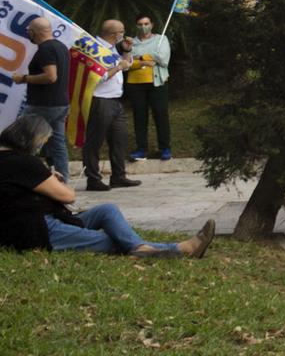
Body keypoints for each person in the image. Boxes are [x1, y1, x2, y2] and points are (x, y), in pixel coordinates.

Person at [0, 116, 214, 257]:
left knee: (107, 210)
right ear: (29, 138)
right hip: (36, 230)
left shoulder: (10, 160)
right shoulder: (23, 162)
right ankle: (179, 250)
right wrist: (54, 180)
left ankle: (140, 247)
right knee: (108, 239)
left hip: (30, 222)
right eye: (41, 142)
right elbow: (67, 196)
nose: (41, 148)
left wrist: (46, 179)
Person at [8, 16, 70, 180]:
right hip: (61, 103)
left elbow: (51, 77)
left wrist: (24, 79)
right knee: (58, 145)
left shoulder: (45, 50)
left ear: (34, 32)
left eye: (29, 31)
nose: (28, 34)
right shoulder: (61, 47)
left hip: (43, 105)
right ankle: (62, 182)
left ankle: (27, 180)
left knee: (25, 142)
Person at [81, 19, 140, 192]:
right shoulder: (95, 48)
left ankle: (118, 176)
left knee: (119, 139)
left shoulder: (113, 48)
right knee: (95, 141)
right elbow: (97, 77)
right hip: (100, 99)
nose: (124, 34)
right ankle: (93, 178)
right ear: (115, 34)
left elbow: (126, 66)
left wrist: (127, 52)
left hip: (115, 100)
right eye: (122, 31)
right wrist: (118, 67)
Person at [124, 14, 173, 161]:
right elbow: (126, 65)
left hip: (157, 83)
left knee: (160, 115)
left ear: (152, 24)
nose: (143, 27)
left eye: (146, 23)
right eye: (140, 24)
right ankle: (141, 149)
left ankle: (165, 148)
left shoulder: (161, 39)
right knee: (139, 117)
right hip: (135, 84)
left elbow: (164, 60)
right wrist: (148, 59)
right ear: (136, 25)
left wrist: (140, 57)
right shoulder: (131, 43)